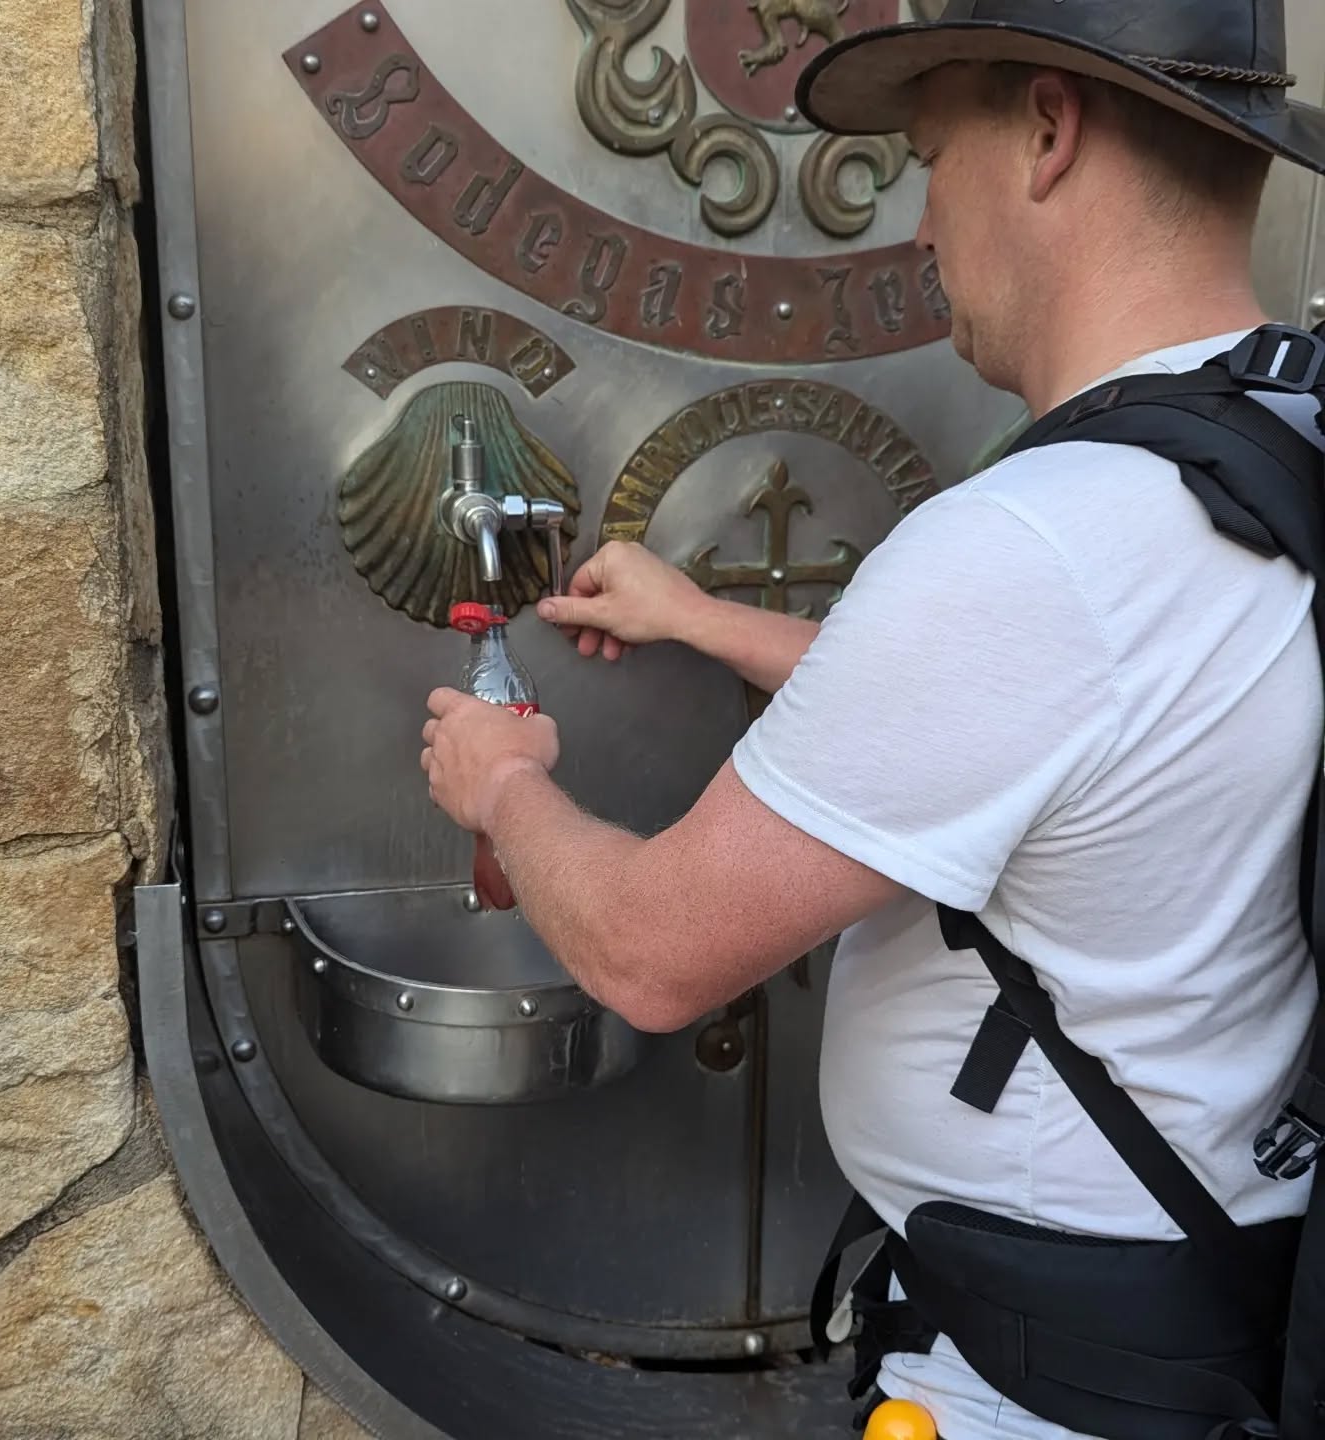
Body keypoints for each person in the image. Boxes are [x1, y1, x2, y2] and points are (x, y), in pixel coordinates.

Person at [420, 3, 1325, 1436]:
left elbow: (654, 956)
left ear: (1047, 133)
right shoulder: (1263, 439)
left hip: (1035, 1388)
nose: (920, 223)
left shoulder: (1035, 545)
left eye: (926, 156)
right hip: (1203, 1308)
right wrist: (704, 620)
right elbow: (1072, 718)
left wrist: (503, 782)